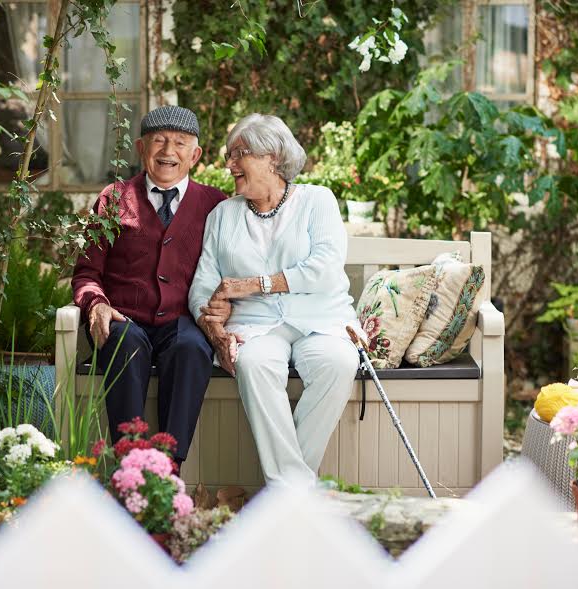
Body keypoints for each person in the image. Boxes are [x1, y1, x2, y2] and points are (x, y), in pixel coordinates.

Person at [189, 113, 362, 486]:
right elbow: (203, 283)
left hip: (321, 320)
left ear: (273, 157)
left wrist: (254, 285)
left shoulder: (317, 201)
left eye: (240, 154)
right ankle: (296, 492)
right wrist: (212, 319)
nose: (230, 164)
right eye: (229, 156)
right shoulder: (223, 215)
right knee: (253, 364)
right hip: (256, 326)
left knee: (339, 363)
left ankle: (286, 492)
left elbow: (325, 269)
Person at [72, 105, 226, 471]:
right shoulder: (113, 197)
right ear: (141, 148)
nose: (168, 151)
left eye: (180, 142)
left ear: (195, 155)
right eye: (159, 140)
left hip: (183, 319)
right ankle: (131, 465)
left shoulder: (216, 204)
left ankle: (169, 467)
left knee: (192, 347)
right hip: (125, 318)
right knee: (124, 343)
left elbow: (234, 267)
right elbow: (86, 272)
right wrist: (96, 304)